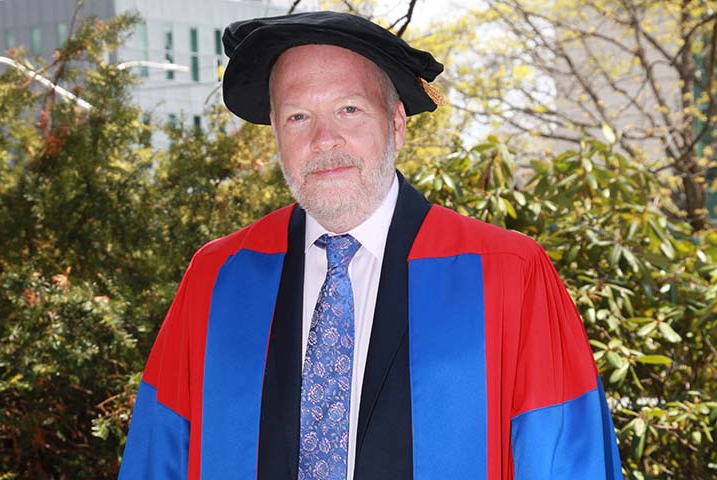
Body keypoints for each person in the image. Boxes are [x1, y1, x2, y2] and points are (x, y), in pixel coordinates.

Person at [118, 11, 623, 480]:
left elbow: (564, 459)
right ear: (275, 132)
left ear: (397, 124)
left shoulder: (508, 274)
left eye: (349, 109)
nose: (324, 140)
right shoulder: (218, 278)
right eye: (298, 117)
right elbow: (158, 456)